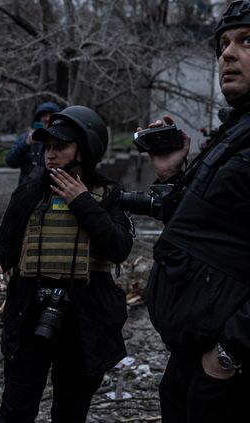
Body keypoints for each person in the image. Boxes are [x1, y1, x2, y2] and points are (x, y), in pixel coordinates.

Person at [0, 106, 133, 423]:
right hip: (29, 311)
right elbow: (4, 245)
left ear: (85, 149)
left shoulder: (108, 194)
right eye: (47, 147)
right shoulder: (28, 192)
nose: (51, 155)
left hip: (83, 317)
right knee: (16, 408)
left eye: (60, 147)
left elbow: (118, 248)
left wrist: (82, 202)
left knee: (70, 410)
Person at [143, 2, 250, 421]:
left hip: (229, 368)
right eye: (224, 43)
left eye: (246, 41)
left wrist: (229, 353)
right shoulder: (235, 131)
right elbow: (200, 233)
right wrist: (171, 176)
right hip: (193, 356)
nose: (226, 53)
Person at [6, 101, 61, 185]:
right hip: (29, 190)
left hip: (55, 189)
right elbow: (10, 162)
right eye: (44, 115)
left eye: (51, 115)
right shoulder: (26, 137)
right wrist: (26, 144)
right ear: (38, 119)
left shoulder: (64, 138)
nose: (47, 118)